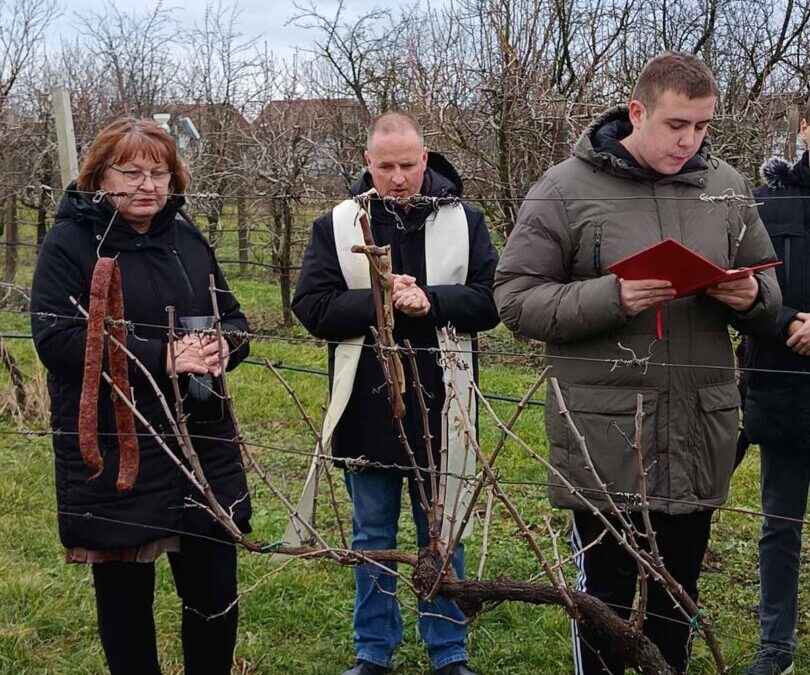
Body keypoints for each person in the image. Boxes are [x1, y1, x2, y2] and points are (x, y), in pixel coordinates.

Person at [494, 52, 781, 675]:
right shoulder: (564, 189)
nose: (690, 140)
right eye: (676, 124)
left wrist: (750, 298)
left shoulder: (725, 189)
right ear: (636, 112)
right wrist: (612, 295)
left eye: (703, 126)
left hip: (699, 430)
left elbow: (769, 299)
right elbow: (514, 300)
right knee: (605, 614)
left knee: (678, 608)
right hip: (606, 437)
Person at [30, 117, 251, 675]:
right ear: (99, 176)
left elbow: (233, 316)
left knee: (213, 593)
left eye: (159, 173)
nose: (146, 185)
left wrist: (225, 346)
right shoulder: (72, 242)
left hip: (199, 433)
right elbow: (56, 338)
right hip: (116, 437)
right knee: (126, 597)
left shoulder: (187, 238)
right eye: (130, 172)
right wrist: (161, 356)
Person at [291, 111, 499, 675]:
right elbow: (311, 307)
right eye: (386, 167)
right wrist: (378, 300)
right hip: (365, 404)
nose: (398, 177)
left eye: (408, 164)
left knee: (441, 530)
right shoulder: (335, 226)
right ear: (367, 164)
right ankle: (373, 652)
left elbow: (491, 301)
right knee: (372, 534)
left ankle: (448, 651)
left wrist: (431, 301)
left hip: (442, 401)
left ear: (425, 160)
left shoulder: (466, 220)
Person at [740, 101, 810, 675]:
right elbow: (735, 291)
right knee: (779, 527)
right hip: (782, 389)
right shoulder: (763, 205)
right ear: (805, 129)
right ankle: (776, 647)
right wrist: (784, 319)